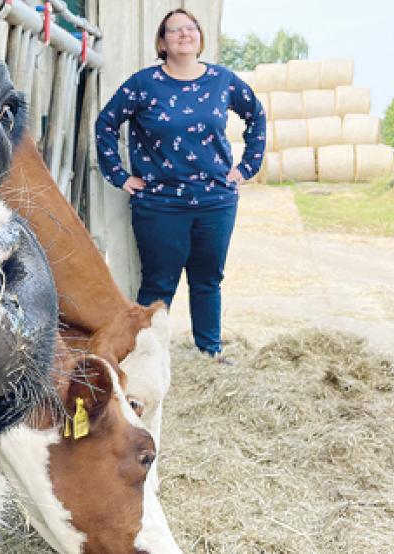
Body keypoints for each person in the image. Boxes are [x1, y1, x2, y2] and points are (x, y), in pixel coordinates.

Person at [94, 8, 266, 361]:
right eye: (174, 30)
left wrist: (246, 168)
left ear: (200, 37)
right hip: (160, 204)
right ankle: (146, 358)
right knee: (158, 284)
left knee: (207, 281)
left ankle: (209, 353)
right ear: (162, 42)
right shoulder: (143, 84)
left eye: (190, 28)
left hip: (215, 201)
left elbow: (256, 116)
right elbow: (106, 124)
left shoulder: (223, 81)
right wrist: (120, 175)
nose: (184, 34)